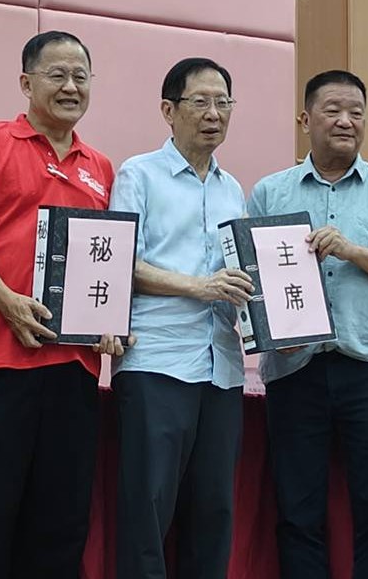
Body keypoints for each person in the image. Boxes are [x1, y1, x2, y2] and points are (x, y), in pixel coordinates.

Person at [0, 30, 129, 579]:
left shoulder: (101, 166)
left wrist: (107, 322)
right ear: (26, 82)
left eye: (80, 77)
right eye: (57, 75)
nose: (71, 87)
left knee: (59, 526)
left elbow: (103, 261)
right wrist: (6, 301)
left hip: (74, 371)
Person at [249, 69, 368, 579]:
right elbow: (254, 279)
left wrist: (352, 251)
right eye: (332, 110)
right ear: (305, 119)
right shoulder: (270, 192)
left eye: (356, 112)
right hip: (294, 370)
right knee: (298, 512)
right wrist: (271, 335)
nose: (345, 121)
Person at [110, 57, 249, 579]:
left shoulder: (233, 189)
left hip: (221, 367)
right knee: (147, 510)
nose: (214, 113)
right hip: (156, 360)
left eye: (223, 102)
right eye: (201, 102)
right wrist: (199, 286)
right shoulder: (139, 173)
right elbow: (121, 261)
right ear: (169, 110)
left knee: (214, 512)